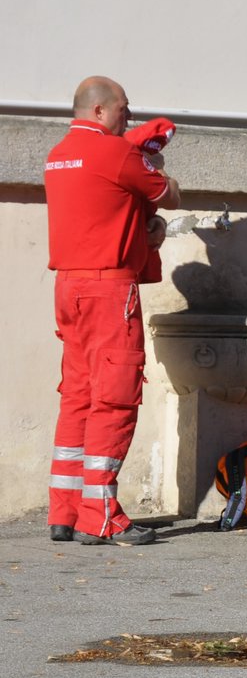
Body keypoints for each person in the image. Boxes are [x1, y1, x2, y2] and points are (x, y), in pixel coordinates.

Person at [44, 77, 182, 545]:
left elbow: (103, 208)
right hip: (108, 291)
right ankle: (101, 513)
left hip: (69, 287)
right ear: (100, 110)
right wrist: (149, 158)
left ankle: (64, 511)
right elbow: (170, 194)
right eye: (123, 108)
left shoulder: (58, 153)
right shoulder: (118, 154)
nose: (129, 115)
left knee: (77, 396)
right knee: (114, 398)